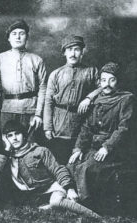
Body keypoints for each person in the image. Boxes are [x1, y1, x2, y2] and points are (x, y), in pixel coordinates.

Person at [0, 120, 100, 218]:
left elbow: (58, 169)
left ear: (24, 135)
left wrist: (69, 188)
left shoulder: (40, 151)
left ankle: (96, 217)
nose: (14, 138)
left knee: (56, 201)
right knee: (35, 209)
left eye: (17, 134)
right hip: (33, 197)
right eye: (10, 136)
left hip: (52, 189)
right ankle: (57, 207)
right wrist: (6, 149)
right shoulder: (8, 157)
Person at [67, 62, 136, 208]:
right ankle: (72, 198)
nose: (107, 84)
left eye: (112, 80)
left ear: (118, 81)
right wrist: (78, 149)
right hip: (94, 146)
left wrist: (107, 147)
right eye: (104, 80)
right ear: (99, 82)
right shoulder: (96, 100)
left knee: (86, 168)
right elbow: (86, 128)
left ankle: (87, 204)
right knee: (72, 164)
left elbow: (124, 129)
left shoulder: (126, 99)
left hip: (115, 149)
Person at [0, 20, 47, 141]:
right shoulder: (0, 58)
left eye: (21, 33)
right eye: (14, 34)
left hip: (30, 110)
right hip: (8, 109)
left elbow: (43, 87)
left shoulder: (36, 60)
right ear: (8, 38)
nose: (18, 36)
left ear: (27, 37)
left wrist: (38, 114)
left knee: (30, 144)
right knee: (8, 145)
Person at [43, 35, 101, 164]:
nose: (73, 53)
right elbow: (48, 102)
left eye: (76, 49)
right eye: (69, 49)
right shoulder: (56, 74)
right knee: (60, 160)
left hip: (82, 122)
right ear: (64, 53)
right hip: (60, 124)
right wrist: (47, 127)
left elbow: (103, 88)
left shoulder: (91, 71)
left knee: (79, 160)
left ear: (82, 52)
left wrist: (88, 98)